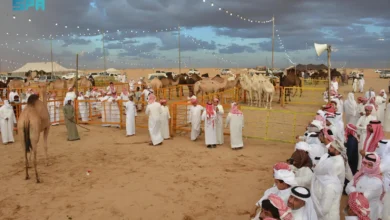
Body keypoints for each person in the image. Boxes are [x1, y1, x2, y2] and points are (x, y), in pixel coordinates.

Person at [311, 140, 346, 220]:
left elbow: (323, 174)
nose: (329, 148)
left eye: (331, 147)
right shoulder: (330, 157)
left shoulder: (337, 164)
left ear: (337, 151)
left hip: (329, 214)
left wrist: (316, 169)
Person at [346, 153, 384, 220]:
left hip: (369, 213)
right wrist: (356, 194)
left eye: (370, 165)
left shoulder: (377, 182)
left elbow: (362, 199)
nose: (366, 166)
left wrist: (353, 190)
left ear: (376, 165)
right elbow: (347, 188)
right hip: (355, 211)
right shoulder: (360, 174)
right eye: (365, 163)